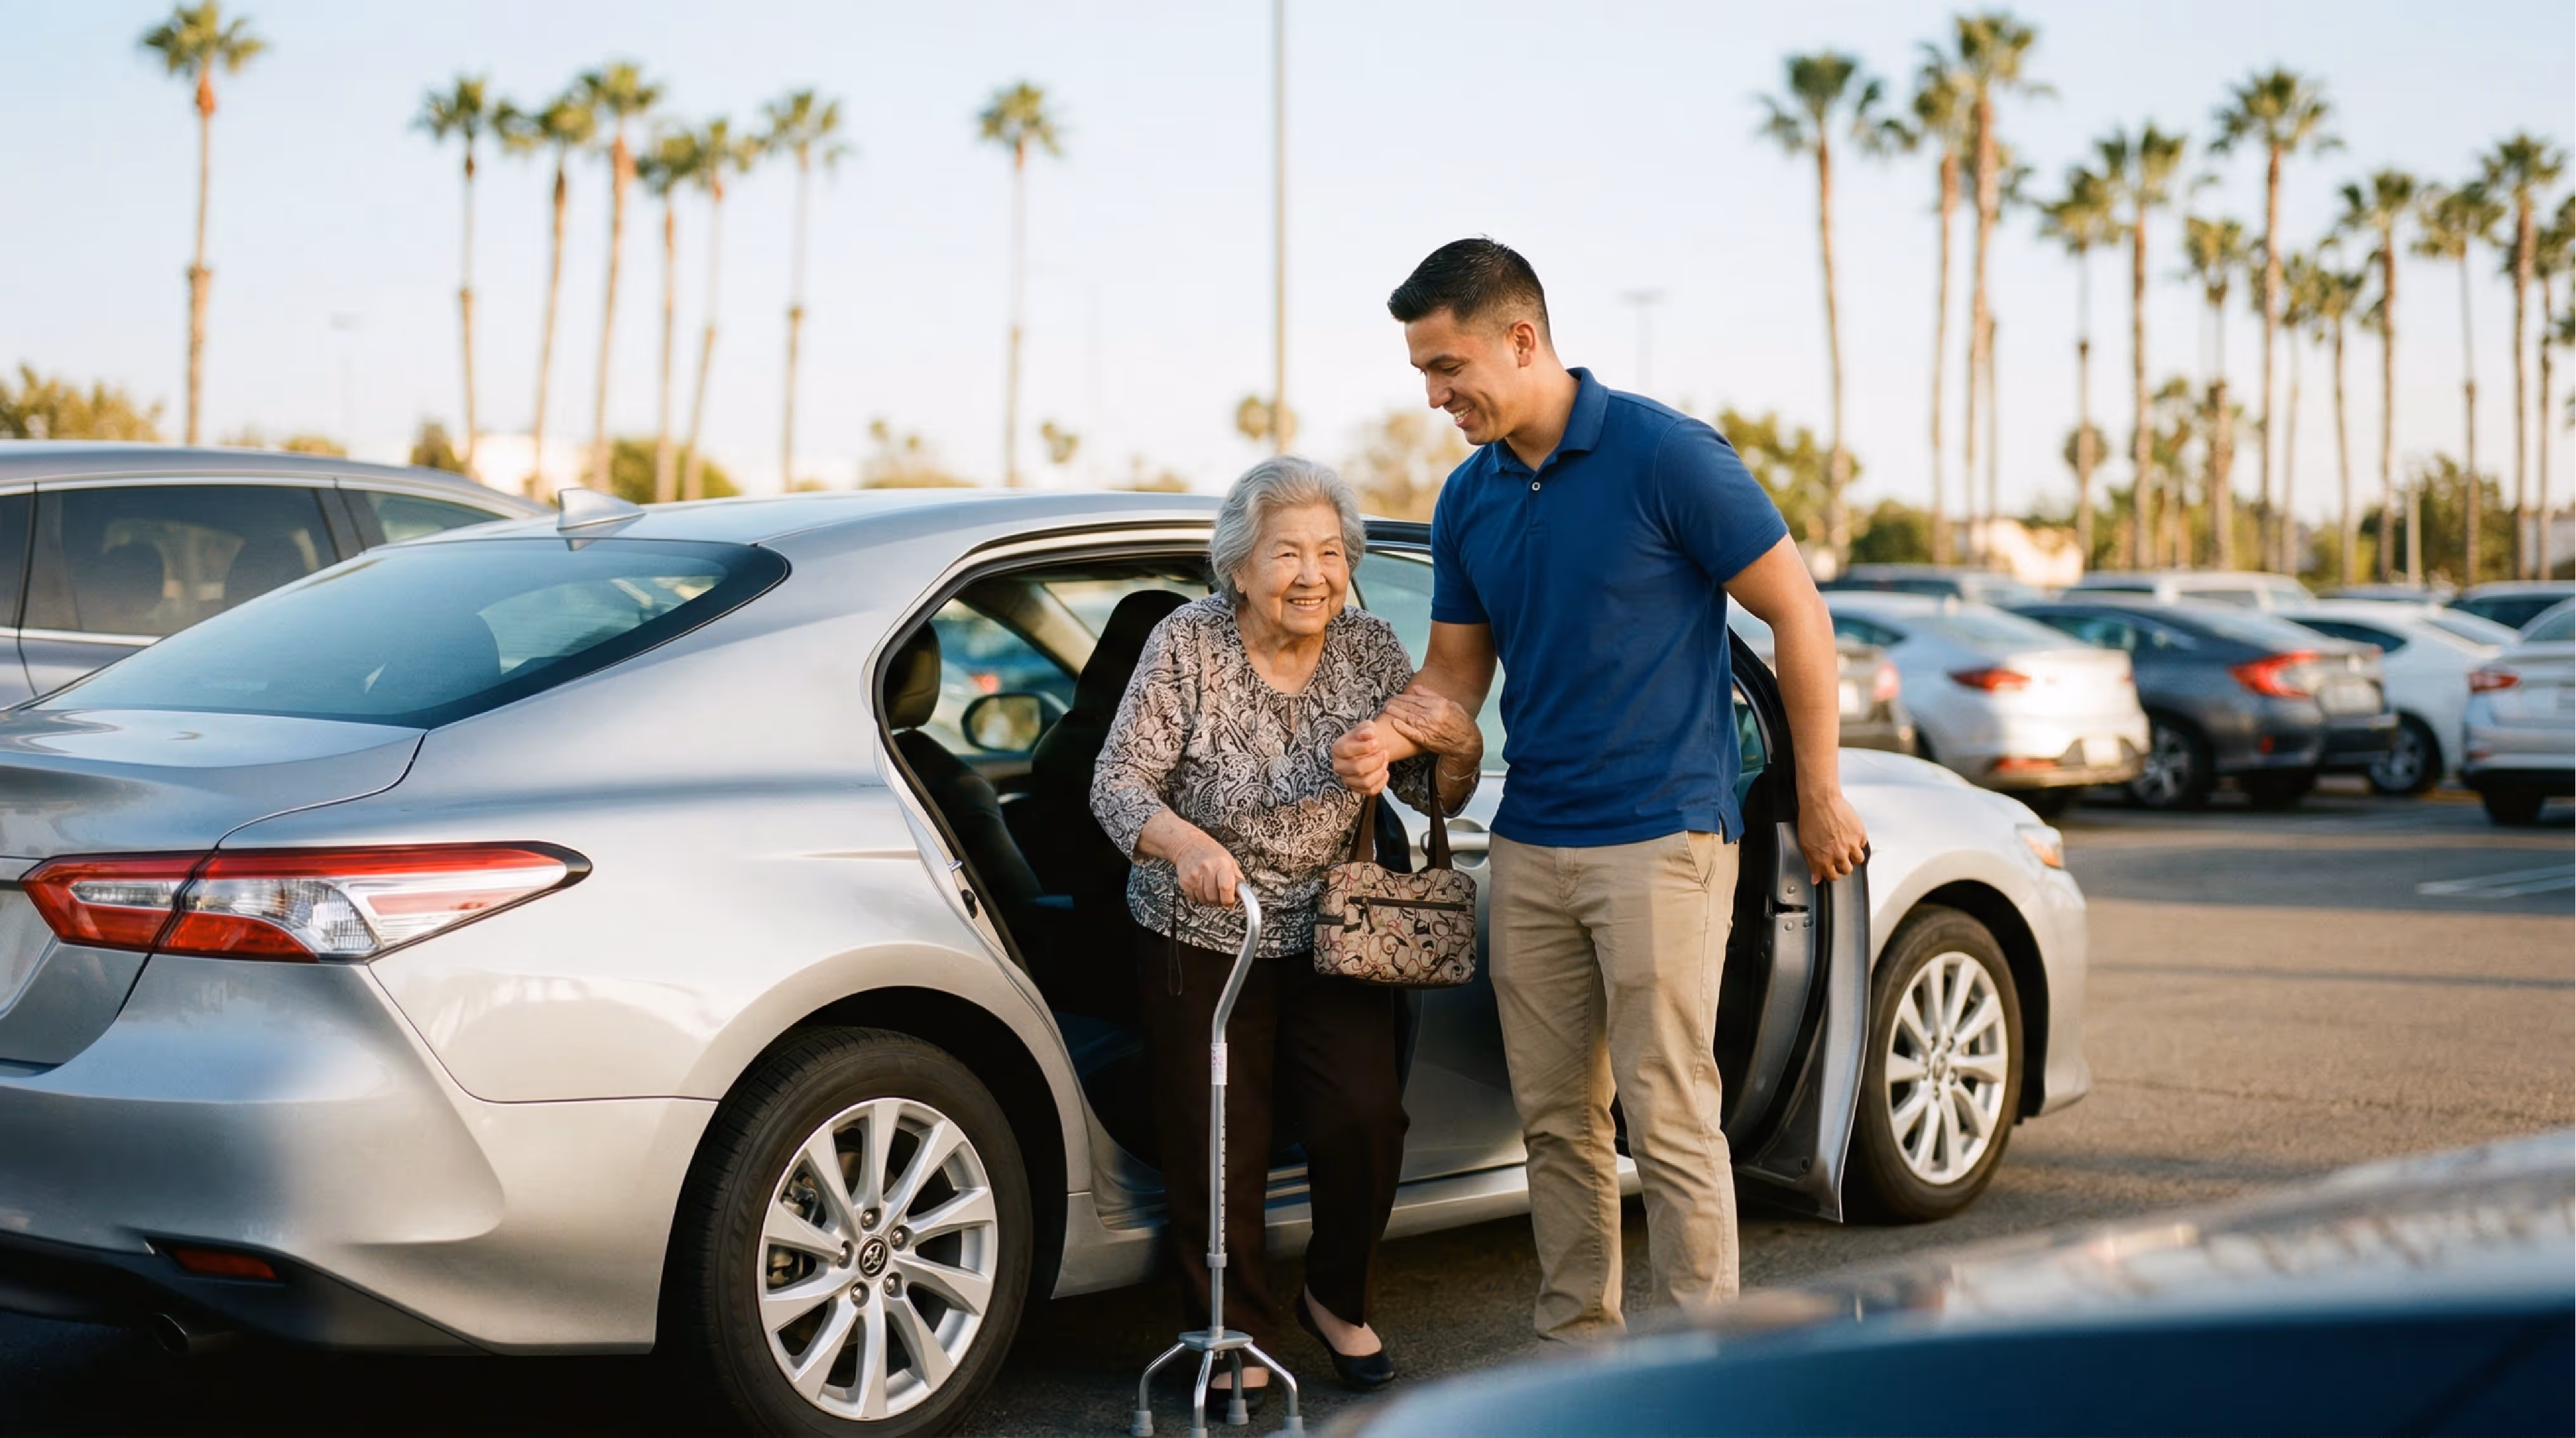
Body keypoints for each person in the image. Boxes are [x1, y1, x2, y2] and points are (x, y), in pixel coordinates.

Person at [1334, 238, 1869, 1342]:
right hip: (1531, 838)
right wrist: (1385, 734)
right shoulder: (1467, 498)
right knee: (1556, 1121)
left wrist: (1818, 787)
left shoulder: (1664, 455)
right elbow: (1454, 676)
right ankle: (1578, 1353)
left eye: (1446, 367)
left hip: (1662, 836)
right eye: (1422, 375)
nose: (1435, 396)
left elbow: (1797, 612)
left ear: (1520, 339)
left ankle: (1694, 1364)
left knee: (1669, 1113)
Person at [1091, 456, 1483, 1401]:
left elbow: (1438, 785)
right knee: (1217, 1136)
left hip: (1331, 930)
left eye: (1329, 553)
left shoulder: (1367, 646)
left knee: (1364, 1118)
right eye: (1287, 554)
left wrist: (1432, 750)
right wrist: (1180, 840)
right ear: (1236, 566)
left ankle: (1336, 1298)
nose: (1312, 573)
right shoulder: (1185, 643)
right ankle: (1229, 1331)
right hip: (1201, 927)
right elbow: (1116, 782)